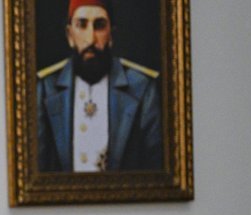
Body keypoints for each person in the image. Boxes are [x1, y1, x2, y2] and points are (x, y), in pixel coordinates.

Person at [37, 0, 162, 172]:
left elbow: (155, 169)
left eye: (99, 26)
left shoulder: (142, 88)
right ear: (70, 36)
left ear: (111, 36)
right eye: (82, 25)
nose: (91, 39)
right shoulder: (46, 89)